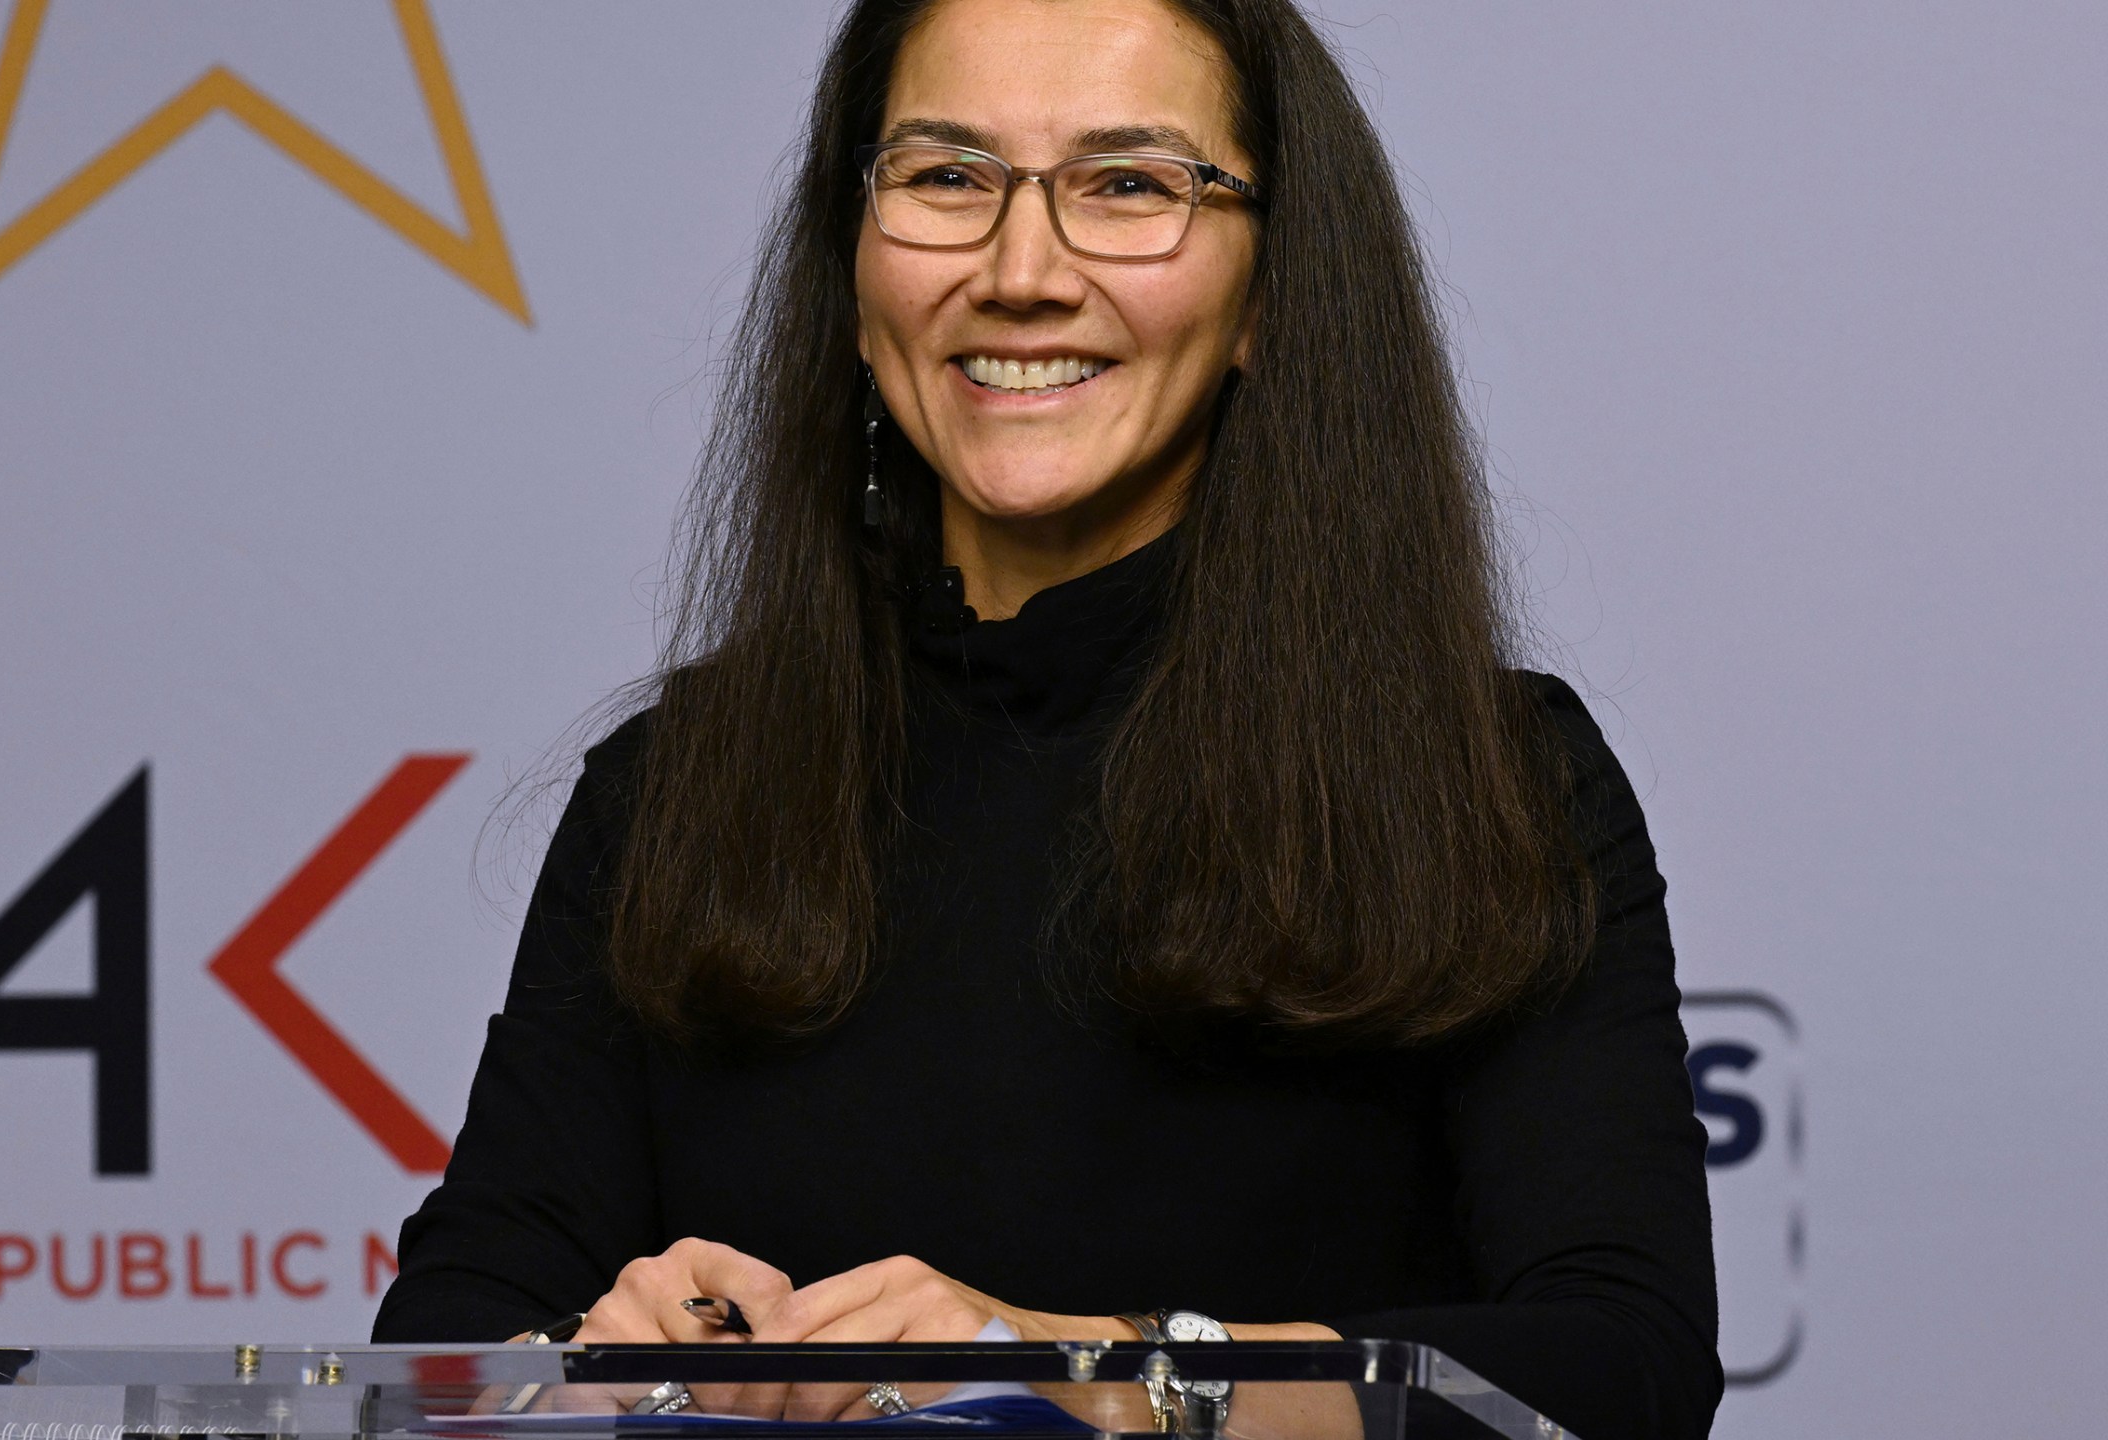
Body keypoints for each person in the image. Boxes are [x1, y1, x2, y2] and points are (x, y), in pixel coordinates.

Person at [374, 2, 1720, 1438]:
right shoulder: (674, 788)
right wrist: (584, 1351)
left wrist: (1091, 1372)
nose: (1021, 273)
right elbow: (444, 1340)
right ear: (853, 271)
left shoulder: (1490, 780)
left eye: (1130, 184)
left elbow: (1613, 1372)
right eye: (946, 177)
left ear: (1272, 291)